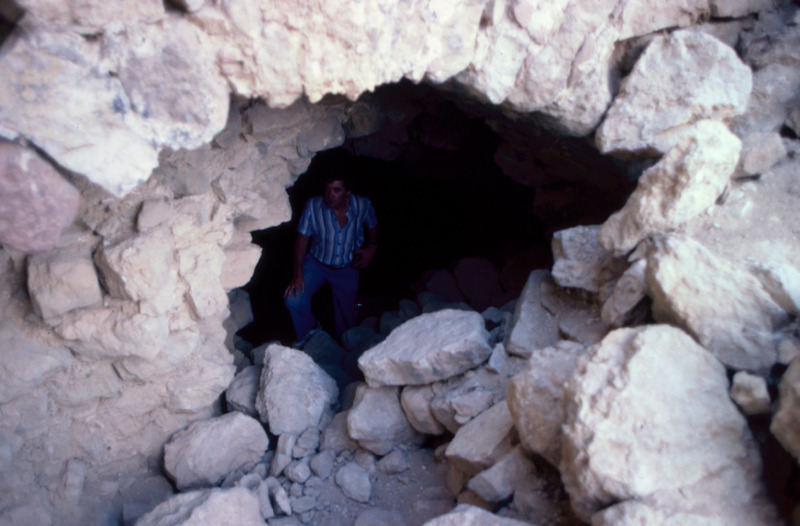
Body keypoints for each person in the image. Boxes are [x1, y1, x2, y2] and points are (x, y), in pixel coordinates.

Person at [283, 171, 378, 346]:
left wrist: (372, 247)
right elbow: (302, 239)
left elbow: (372, 225)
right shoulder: (313, 206)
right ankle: (310, 334)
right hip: (316, 265)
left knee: (347, 320)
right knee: (293, 299)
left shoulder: (363, 205)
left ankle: (343, 350)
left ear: (348, 192)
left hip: (347, 268)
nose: (329, 194)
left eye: (336, 190)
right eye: (327, 189)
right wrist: (298, 273)